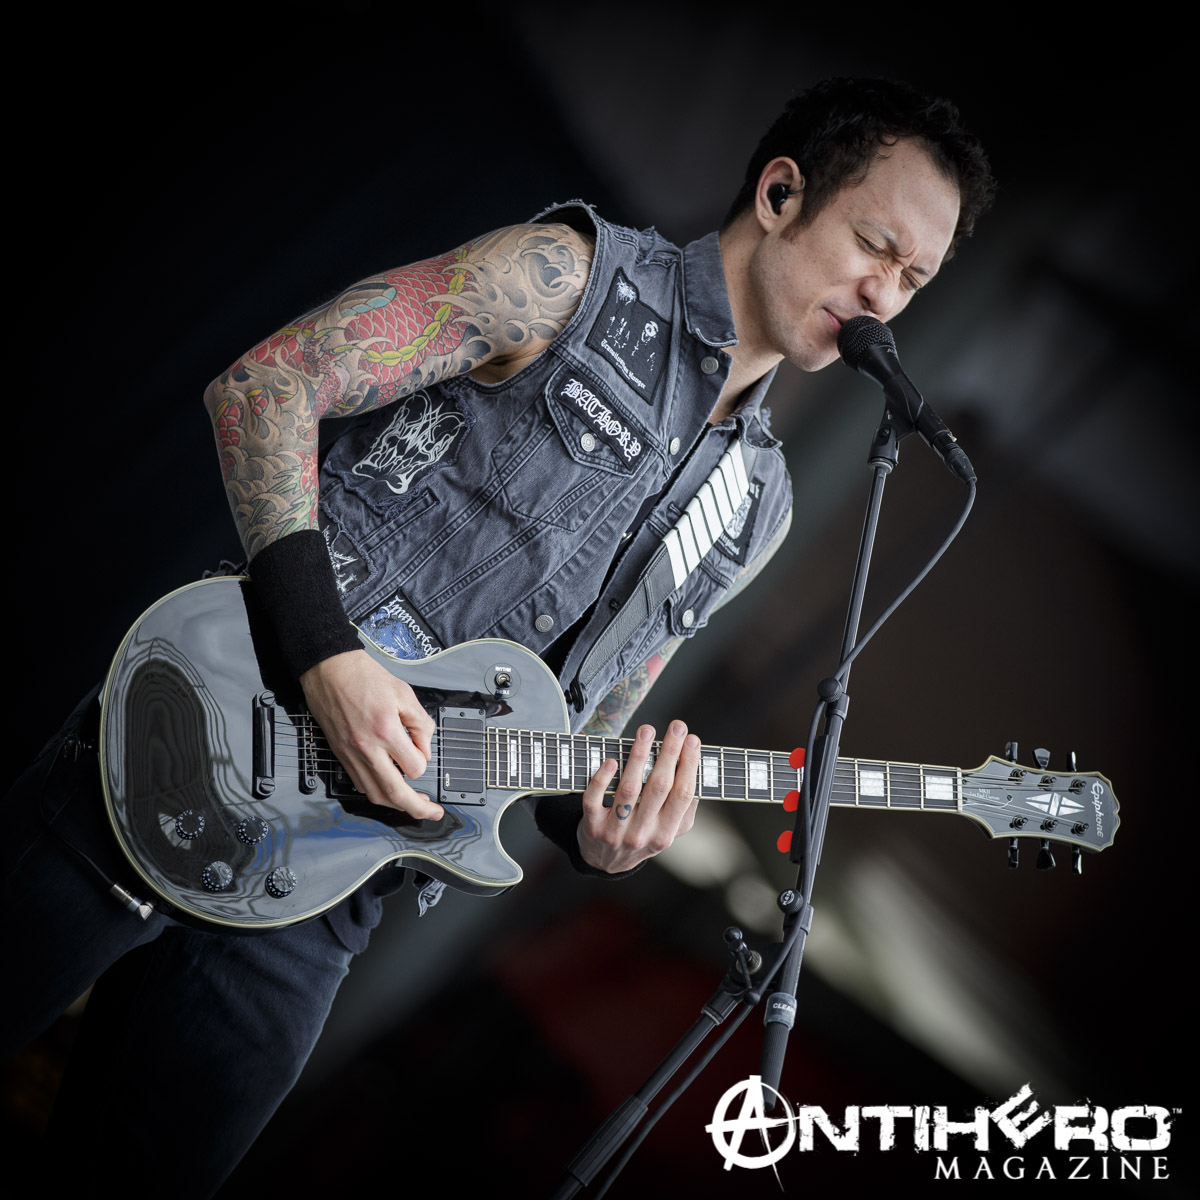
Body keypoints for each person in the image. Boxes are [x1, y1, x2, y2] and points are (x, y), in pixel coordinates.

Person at [1, 76, 994, 1196]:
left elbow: (589, 723)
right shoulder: (569, 276)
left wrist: (601, 827)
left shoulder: (757, 507)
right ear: (780, 194)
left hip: (339, 887)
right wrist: (327, 655)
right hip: (207, 727)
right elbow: (268, 388)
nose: (882, 298)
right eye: (874, 247)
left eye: (913, 280)